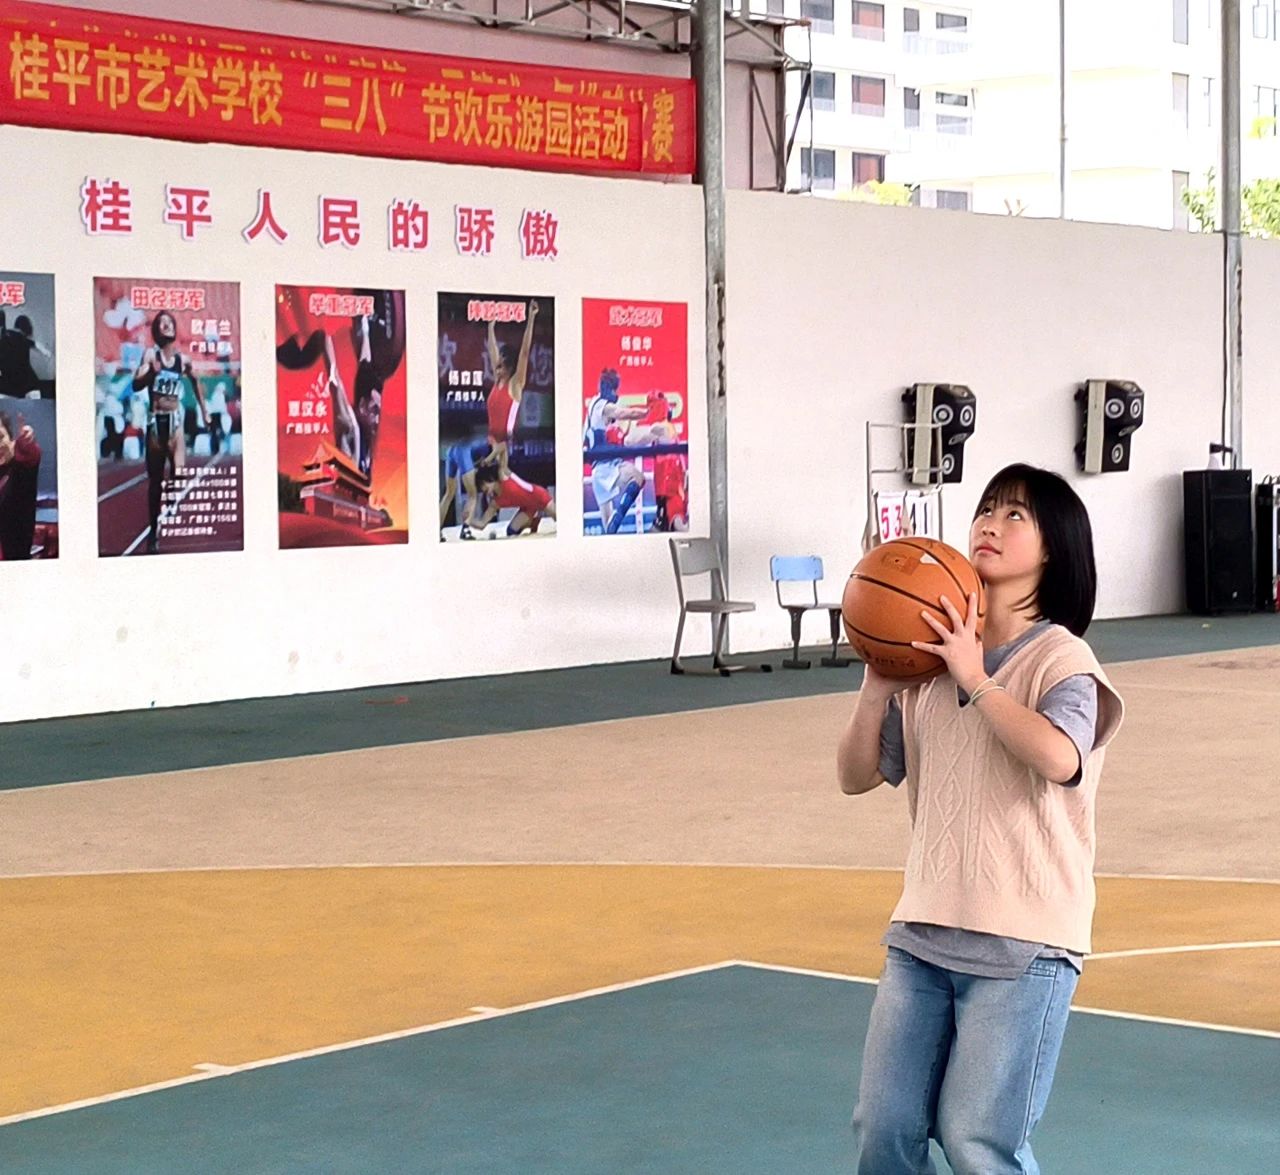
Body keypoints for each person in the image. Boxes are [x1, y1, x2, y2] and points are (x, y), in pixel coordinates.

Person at [836, 463, 1125, 1175]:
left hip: (1026, 944)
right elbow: (855, 775)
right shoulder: (925, 663)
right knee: (883, 1129)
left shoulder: (1064, 660)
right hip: (923, 930)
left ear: (1054, 548)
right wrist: (876, 688)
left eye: (1015, 515)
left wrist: (976, 676)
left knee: (977, 1142)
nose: (991, 524)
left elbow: (1059, 756)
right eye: (987, 509)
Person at [132, 311, 208, 554]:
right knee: (155, 483)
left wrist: (204, 411)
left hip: (175, 421)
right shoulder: (150, 355)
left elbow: (196, 381)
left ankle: (173, 496)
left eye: (169, 323)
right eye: (162, 323)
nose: (166, 326)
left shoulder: (183, 361)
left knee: (179, 471)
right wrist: (150, 373)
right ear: (156, 330)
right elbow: (135, 384)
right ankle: (153, 532)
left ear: (175, 329)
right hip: (156, 421)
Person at [582, 367, 648, 534]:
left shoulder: (593, 407)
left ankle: (614, 521)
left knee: (609, 531)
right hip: (606, 466)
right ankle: (618, 516)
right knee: (638, 477)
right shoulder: (602, 406)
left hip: (598, 470)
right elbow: (625, 413)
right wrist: (647, 412)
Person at [485, 300, 538, 478]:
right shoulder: (498, 381)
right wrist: (490, 327)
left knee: (503, 480)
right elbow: (492, 349)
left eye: (500, 366)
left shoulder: (515, 384)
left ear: (509, 368)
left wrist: (531, 318)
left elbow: (524, 352)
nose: (496, 368)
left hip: (507, 447)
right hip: (491, 443)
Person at [471, 463, 555, 538]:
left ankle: (531, 521)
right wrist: (468, 521)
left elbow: (502, 453)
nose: (482, 489)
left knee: (560, 520)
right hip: (528, 508)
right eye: (481, 488)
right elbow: (482, 524)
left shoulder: (503, 477)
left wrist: (489, 458)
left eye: (482, 484)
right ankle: (532, 522)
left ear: (489, 479)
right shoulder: (495, 503)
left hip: (540, 497)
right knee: (511, 532)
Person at [0, 410, 41, 560]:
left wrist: (26, 445)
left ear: (11, 439)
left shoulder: (21, 467)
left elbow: (31, 458)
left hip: (14, 564)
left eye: (0, 437)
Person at [0, 313, 52, 399]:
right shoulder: (23, 339)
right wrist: (46, 352)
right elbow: (36, 344)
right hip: (25, 381)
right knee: (34, 391)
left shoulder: (6, 337)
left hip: (7, 382)